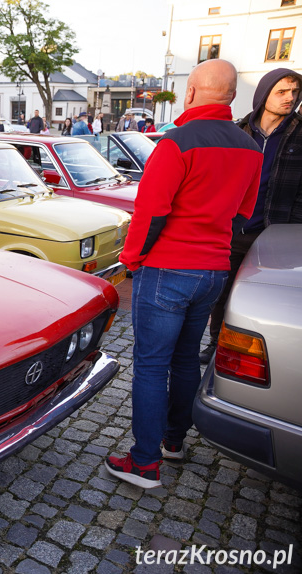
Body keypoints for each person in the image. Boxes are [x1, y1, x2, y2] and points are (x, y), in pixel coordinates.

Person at [105, 59, 263, 489]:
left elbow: (151, 211)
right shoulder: (251, 148)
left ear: (190, 92)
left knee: (152, 365)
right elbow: (244, 215)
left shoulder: (176, 143)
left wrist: (133, 260)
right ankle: (174, 443)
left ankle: (143, 463)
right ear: (231, 97)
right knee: (185, 358)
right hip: (213, 269)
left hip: (168, 268)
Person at [200, 68, 302, 363]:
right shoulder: (238, 131)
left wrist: (289, 231)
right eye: (281, 91)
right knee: (222, 293)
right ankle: (216, 343)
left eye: (294, 92)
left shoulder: (300, 133)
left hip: (275, 234)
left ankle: (255, 355)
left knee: (266, 300)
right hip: (232, 231)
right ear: (263, 95)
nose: (290, 98)